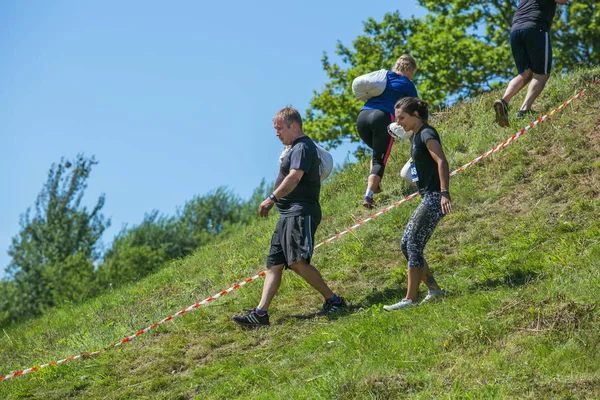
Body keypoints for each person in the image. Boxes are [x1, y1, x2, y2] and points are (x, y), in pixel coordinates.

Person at [233, 106, 345, 327]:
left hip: (300, 212)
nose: (276, 134)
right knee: (274, 265)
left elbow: (294, 177)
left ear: (293, 126)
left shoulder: (303, 147)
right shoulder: (293, 148)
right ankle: (260, 314)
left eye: (279, 128)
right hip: (286, 215)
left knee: (298, 263)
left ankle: (334, 300)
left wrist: (272, 198)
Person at [383, 98, 451, 311]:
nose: (399, 122)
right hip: (427, 196)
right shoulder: (415, 137)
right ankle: (434, 290)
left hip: (434, 197)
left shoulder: (426, 134)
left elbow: (441, 160)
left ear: (416, 116)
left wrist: (444, 193)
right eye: (397, 118)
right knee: (407, 245)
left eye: (402, 118)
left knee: (413, 243)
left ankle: (410, 300)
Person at [356, 54, 418, 209]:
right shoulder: (407, 84)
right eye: (413, 72)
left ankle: (375, 183)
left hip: (362, 117)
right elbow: (417, 111)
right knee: (380, 160)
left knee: (377, 151)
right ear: (409, 69)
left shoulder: (384, 77)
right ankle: (368, 196)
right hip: (382, 117)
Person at [493, 0, 568, 127]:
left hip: (515, 31)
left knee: (525, 73)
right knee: (542, 74)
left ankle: (504, 102)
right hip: (535, 28)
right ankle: (524, 110)